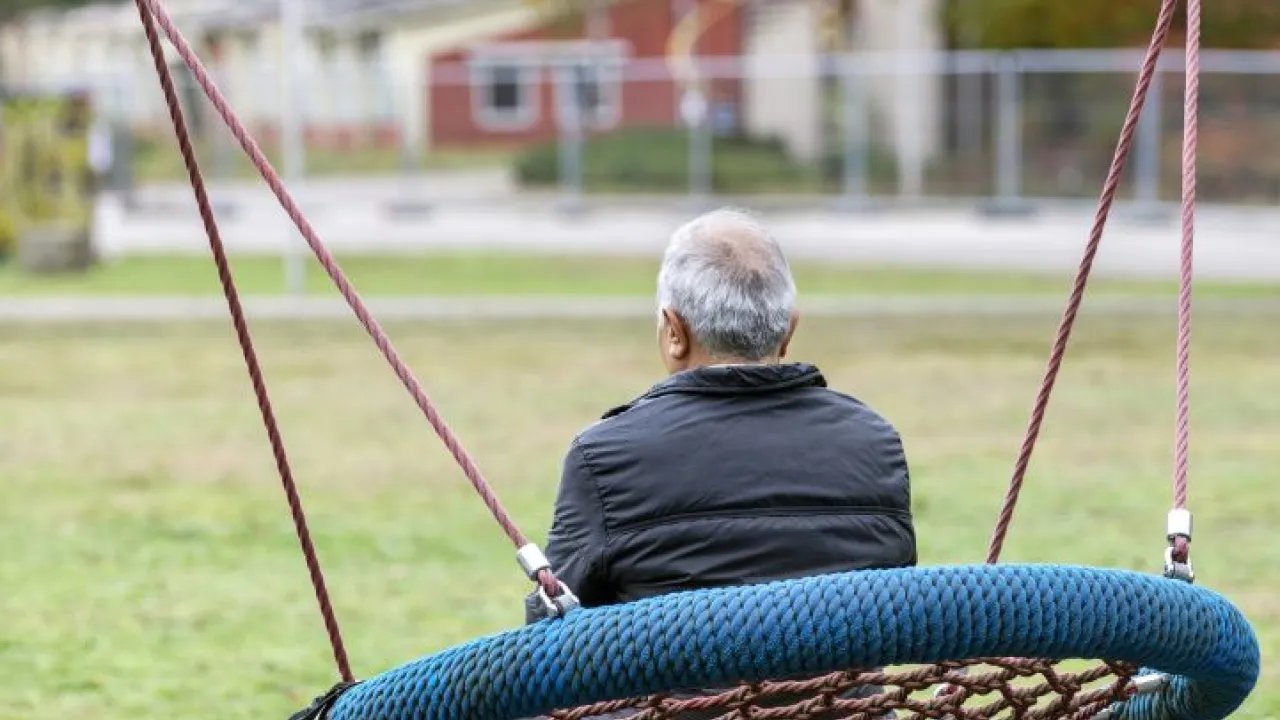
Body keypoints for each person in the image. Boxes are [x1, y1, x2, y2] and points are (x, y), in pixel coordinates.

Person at [526, 207, 916, 628]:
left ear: (674, 332)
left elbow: (553, 638)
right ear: (789, 330)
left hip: (676, 696)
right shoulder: (875, 443)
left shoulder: (604, 458)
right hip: (838, 696)